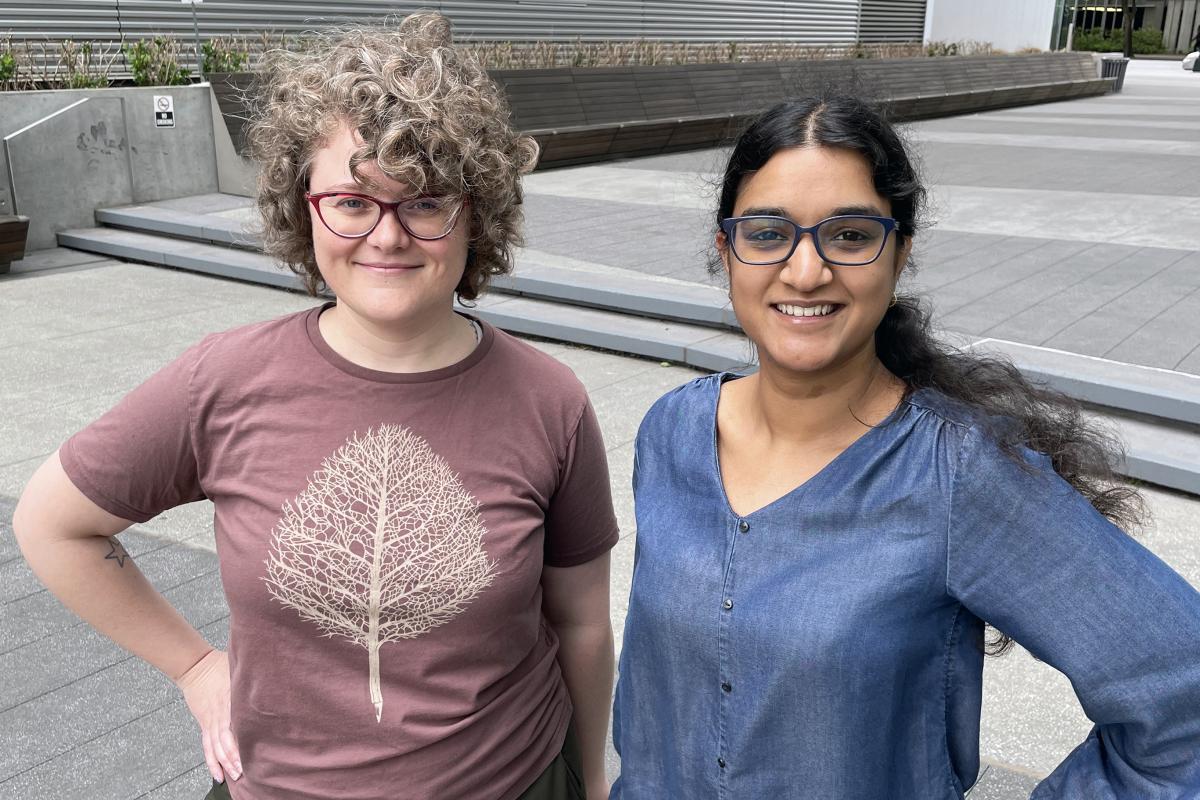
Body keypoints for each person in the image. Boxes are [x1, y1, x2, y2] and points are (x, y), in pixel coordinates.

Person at [13, 13, 617, 800]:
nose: (387, 236)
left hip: (513, 780)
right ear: (305, 206)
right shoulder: (223, 380)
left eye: (426, 202)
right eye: (353, 201)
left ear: (478, 214)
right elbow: (53, 523)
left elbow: (582, 623)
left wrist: (593, 778)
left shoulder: (549, 401)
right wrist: (194, 665)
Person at [610, 95, 1200, 799]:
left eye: (851, 235)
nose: (805, 272)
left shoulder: (956, 473)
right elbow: (650, 704)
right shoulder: (671, 433)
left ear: (900, 254)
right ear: (726, 251)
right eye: (768, 233)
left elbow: (1182, 697)